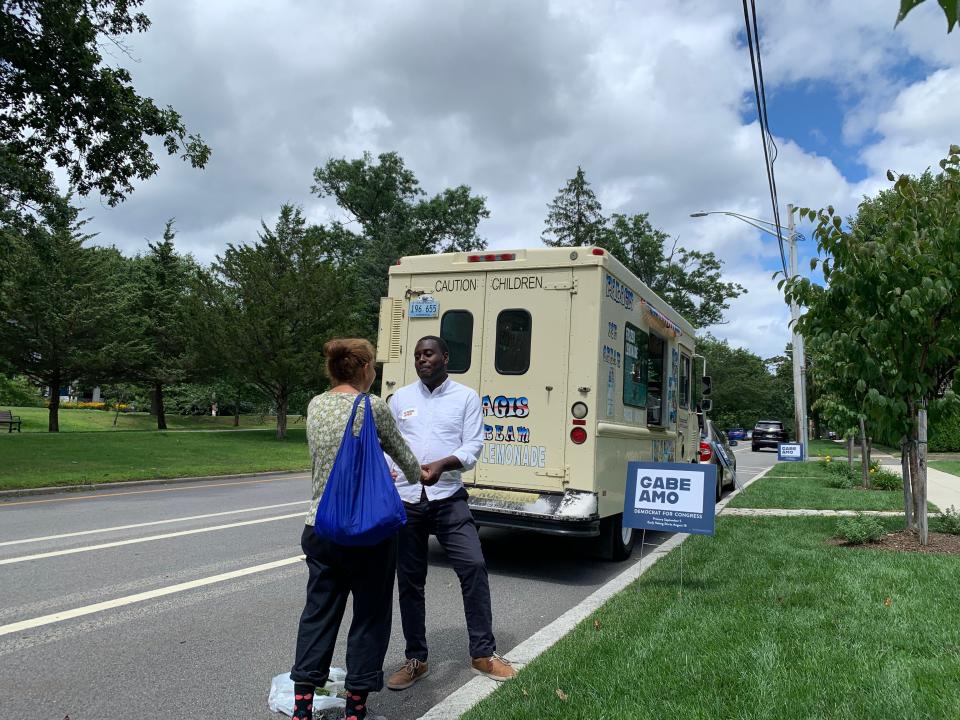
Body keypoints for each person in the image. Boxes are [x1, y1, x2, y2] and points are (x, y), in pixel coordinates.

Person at [290, 338, 430, 720]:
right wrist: (423, 473)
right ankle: (355, 709)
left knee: (318, 614)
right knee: (370, 616)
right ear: (365, 368)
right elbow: (406, 459)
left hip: (321, 526)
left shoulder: (315, 405)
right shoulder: (373, 407)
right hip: (370, 532)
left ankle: (302, 705)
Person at [385, 336, 517, 691]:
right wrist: (389, 472)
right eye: (417, 356)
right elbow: (389, 445)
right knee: (410, 580)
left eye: (428, 354)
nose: (422, 360)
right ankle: (416, 659)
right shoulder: (401, 399)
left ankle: (483, 654)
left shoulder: (465, 398)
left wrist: (444, 464)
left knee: (473, 566)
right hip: (407, 501)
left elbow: (473, 445)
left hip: (448, 497)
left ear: (445, 356)